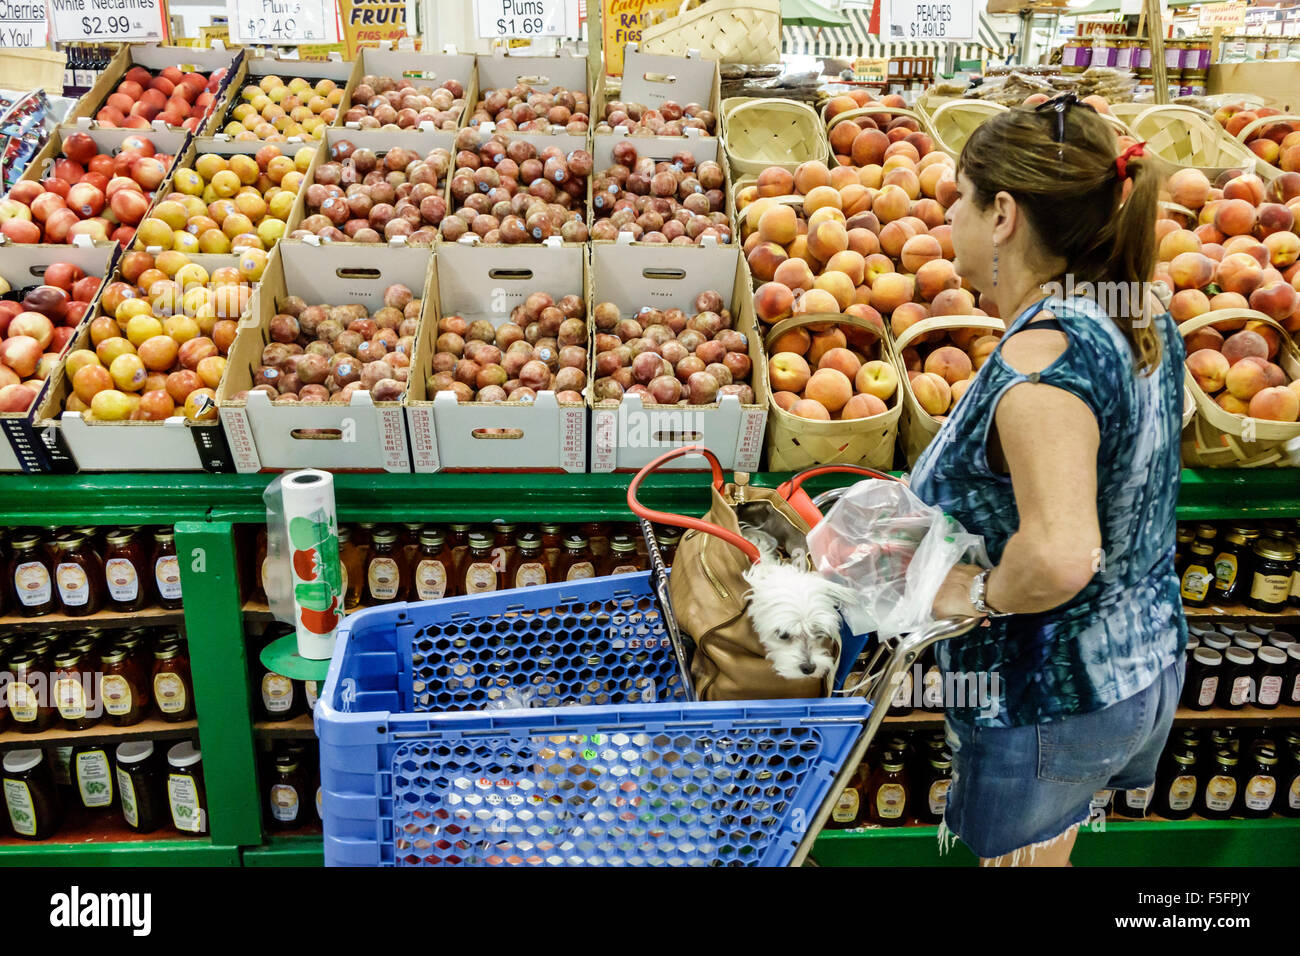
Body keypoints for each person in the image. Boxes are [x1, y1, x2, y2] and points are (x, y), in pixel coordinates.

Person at [910, 95, 1187, 867]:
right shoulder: (1136, 310)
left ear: (1002, 214)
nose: (950, 225)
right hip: (1136, 663)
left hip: (1047, 697)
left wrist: (972, 593)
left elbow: (1063, 554)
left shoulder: (1040, 367)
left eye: (957, 202)